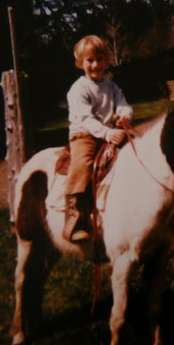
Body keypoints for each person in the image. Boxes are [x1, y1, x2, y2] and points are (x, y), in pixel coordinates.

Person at [63, 35, 133, 243]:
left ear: (107, 60)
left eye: (100, 59)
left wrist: (124, 116)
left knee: (134, 153)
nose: (95, 65)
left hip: (109, 132)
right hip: (84, 134)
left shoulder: (111, 86)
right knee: (83, 164)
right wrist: (108, 133)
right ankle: (75, 216)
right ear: (80, 63)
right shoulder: (78, 89)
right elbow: (86, 119)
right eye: (89, 60)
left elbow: (123, 104)